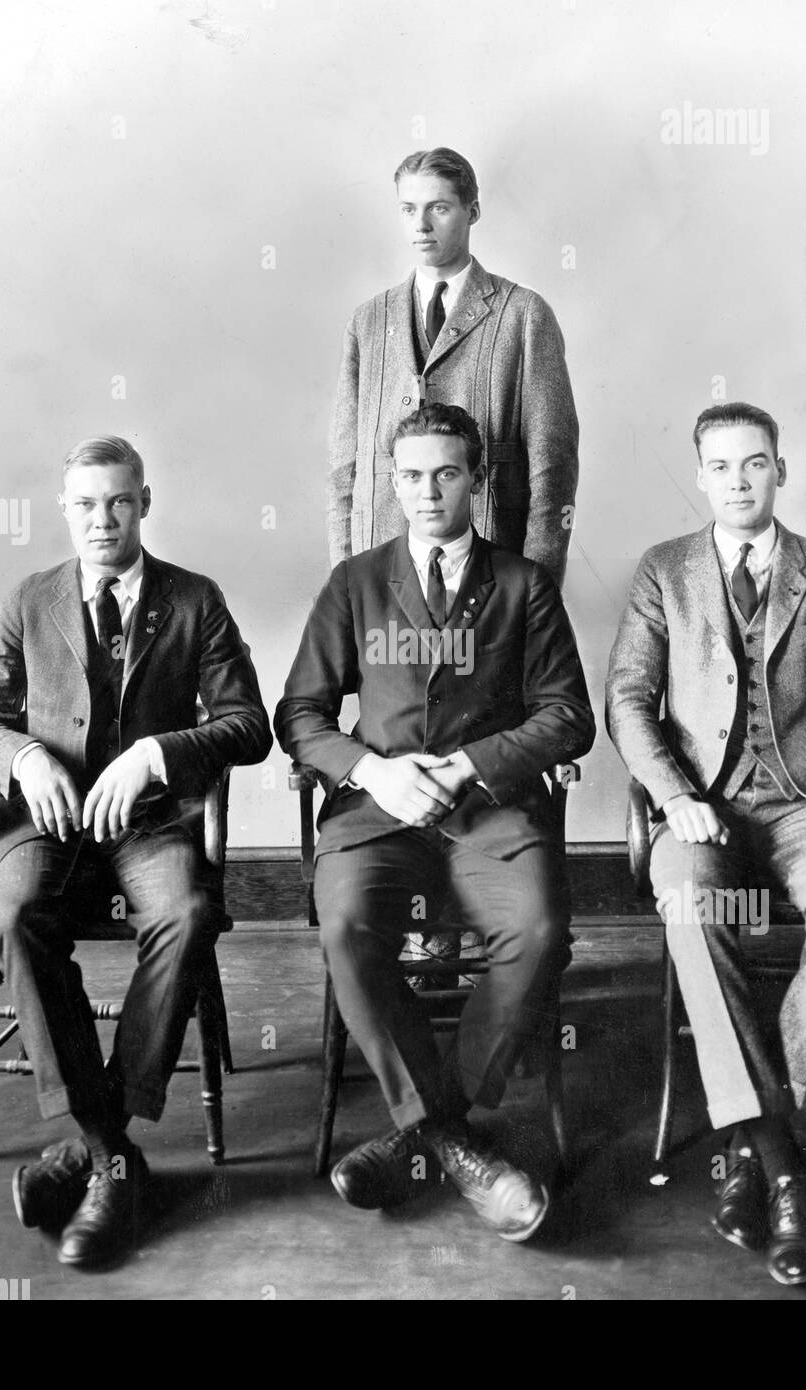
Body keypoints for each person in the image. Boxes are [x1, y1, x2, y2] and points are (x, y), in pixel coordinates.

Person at [0, 435, 271, 1268]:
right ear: (66, 509)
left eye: (119, 502)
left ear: (145, 503)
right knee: (17, 916)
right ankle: (112, 1155)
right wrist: (23, 756)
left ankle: (93, 1152)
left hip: (148, 822)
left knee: (189, 911)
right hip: (39, 822)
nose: (102, 520)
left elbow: (250, 726)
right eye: (86, 504)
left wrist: (156, 755)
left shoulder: (194, 600)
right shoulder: (32, 599)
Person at [605, 401, 806, 1285]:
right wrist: (671, 795)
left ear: (781, 470)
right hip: (702, 807)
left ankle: (749, 1144)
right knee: (694, 909)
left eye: (757, 464)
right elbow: (627, 699)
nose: (740, 481)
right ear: (700, 476)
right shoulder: (664, 571)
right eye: (723, 466)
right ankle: (786, 1172)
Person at [279, 402, 593, 1242]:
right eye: (412, 476)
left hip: (487, 810)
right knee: (345, 926)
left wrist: (466, 765)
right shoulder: (356, 582)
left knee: (537, 929)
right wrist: (374, 770)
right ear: (393, 481)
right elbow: (300, 715)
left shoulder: (523, 585)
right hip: (377, 813)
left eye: (446, 474)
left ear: (477, 480)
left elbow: (568, 718)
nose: (427, 492)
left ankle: (426, 1128)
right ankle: (459, 1145)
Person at [327, 146, 579, 591]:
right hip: (382, 566)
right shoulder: (368, 321)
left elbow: (552, 470)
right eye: (409, 209)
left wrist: (536, 590)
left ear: (472, 210)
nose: (421, 226)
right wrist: (344, 579)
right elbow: (345, 467)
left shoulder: (523, 315)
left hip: (491, 569)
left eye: (438, 208)